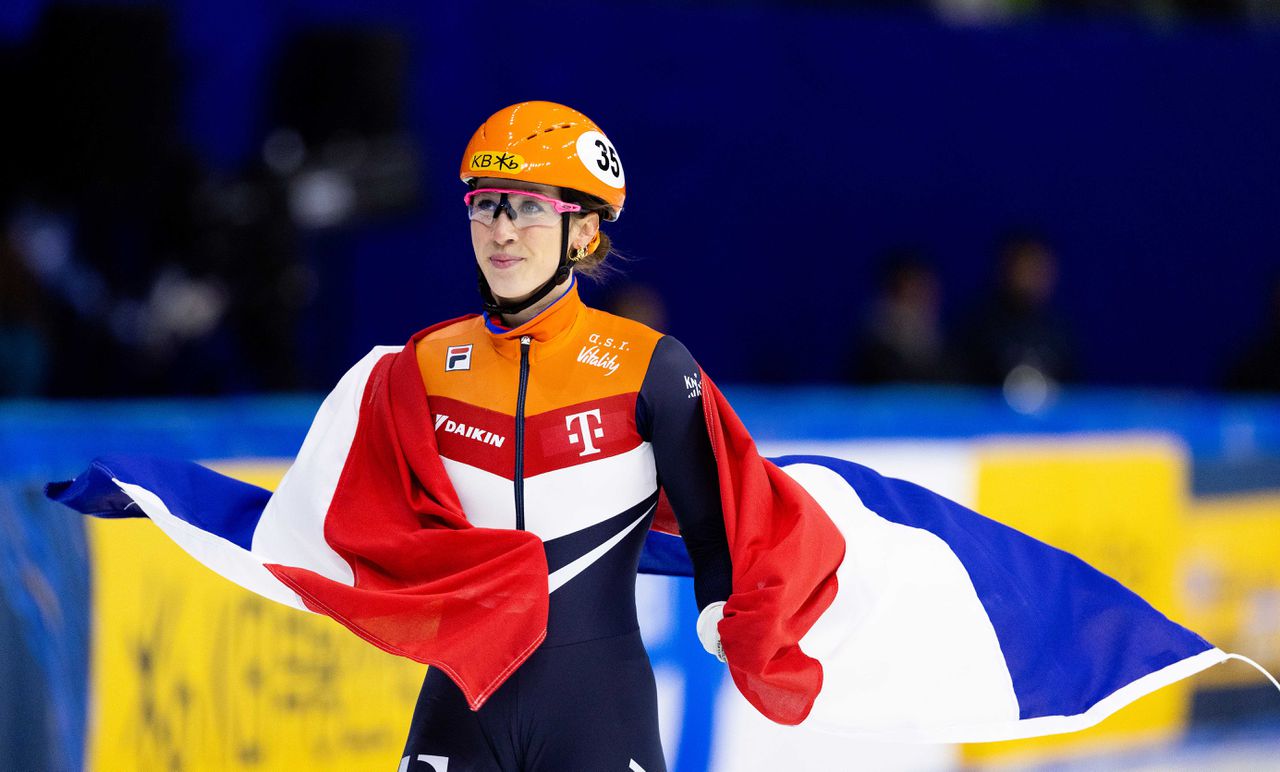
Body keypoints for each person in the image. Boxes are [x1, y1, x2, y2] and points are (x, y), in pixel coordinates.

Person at [398, 101, 732, 771]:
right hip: (458, 709)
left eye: (526, 208)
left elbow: (718, 527)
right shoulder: (425, 363)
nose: (500, 230)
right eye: (485, 205)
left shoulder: (652, 366)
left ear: (582, 233)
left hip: (597, 711)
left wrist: (734, 617)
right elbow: (345, 514)